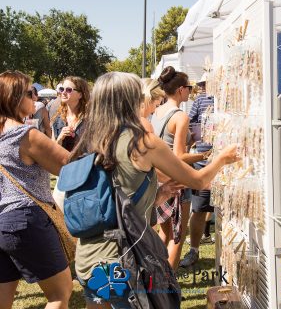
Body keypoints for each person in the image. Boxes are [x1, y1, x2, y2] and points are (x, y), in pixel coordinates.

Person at [68, 71, 239, 308]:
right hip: (123, 259)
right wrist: (221, 158)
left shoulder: (89, 141)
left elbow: (110, 199)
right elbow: (198, 181)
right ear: (130, 99)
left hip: (88, 258)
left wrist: (157, 196)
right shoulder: (141, 142)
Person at [0, 70, 72, 309]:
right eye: (31, 93)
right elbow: (69, 166)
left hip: (3, 223)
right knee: (60, 294)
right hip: (25, 218)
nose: (36, 97)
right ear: (15, 97)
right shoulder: (26, 135)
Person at [151, 66, 211, 270]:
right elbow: (179, 157)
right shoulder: (180, 116)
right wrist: (207, 155)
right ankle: (168, 284)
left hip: (157, 179)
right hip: (175, 181)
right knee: (178, 235)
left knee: (165, 231)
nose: (191, 91)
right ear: (180, 90)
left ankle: (155, 273)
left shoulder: (157, 111)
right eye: (189, 87)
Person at [180, 78, 216, 268]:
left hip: (226, 161)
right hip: (203, 161)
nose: (202, 88)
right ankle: (194, 250)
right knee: (200, 208)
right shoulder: (201, 101)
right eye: (201, 85)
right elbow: (191, 125)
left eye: (203, 85)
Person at [51, 77, 90, 210]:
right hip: (63, 175)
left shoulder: (91, 119)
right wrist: (60, 138)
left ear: (80, 94)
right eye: (61, 89)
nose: (63, 92)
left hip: (85, 176)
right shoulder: (58, 120)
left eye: (68, 89)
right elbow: (52, 150)